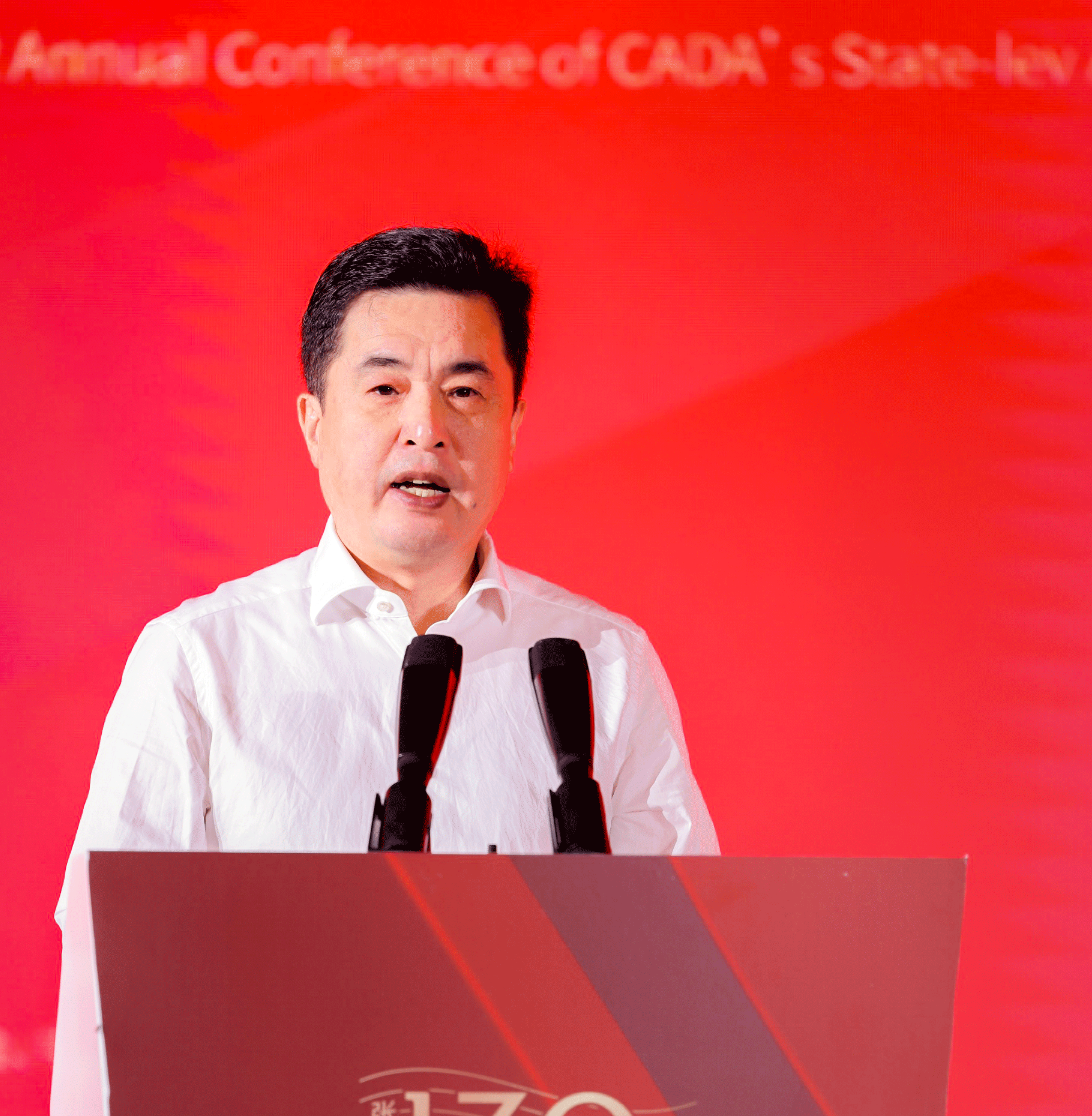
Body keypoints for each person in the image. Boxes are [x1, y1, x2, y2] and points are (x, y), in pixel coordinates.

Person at [56, 226, 716, 925]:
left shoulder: (606, 663)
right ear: (314, 424)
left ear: (513, 428)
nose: (426, 428)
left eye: (465, 391)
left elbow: (686, 948)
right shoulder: (199, 658)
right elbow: (109, 954)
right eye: (384, 387)